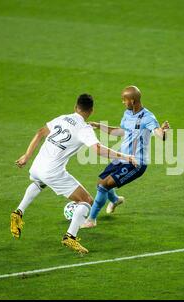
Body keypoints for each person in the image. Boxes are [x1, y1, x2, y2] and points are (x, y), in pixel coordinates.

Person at [10, 94, 136, 254]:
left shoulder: (63, 118)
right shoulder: (84, 129)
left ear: (75, 107)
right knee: (86, 200)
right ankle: (70, 236)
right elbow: (98, 150)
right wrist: (125, 157)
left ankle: (18, 212)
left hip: (36, 166)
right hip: (52, 172)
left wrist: (26, 156)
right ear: (91, 111)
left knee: (39, 182)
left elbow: (40, 132)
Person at [81, 86, 170, 228]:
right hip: (122, 158)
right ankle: (115, 200)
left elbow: (159, 134)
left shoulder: (148, 117)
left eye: (125, 99)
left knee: (104, 186)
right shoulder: (127, 113)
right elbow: (120, 131)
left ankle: (91, 220)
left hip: (136, 163)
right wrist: (99, 126)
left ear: (133, 101)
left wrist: (164, 131)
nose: (123, 102)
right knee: (100, 182)